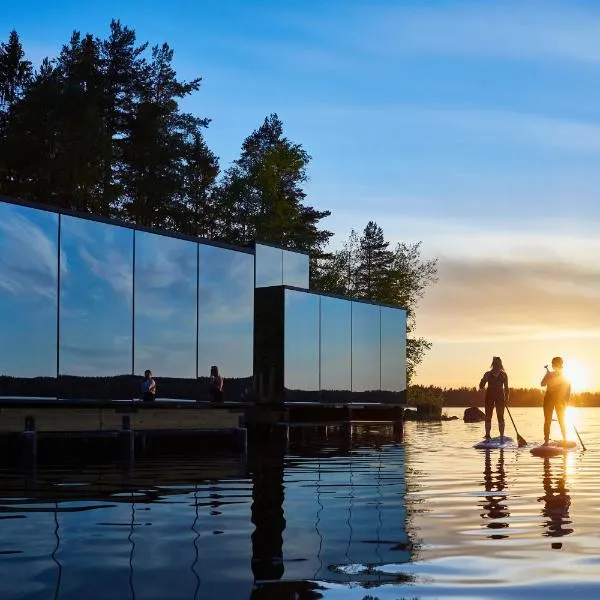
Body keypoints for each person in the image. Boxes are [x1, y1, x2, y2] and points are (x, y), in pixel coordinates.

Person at [541, 357, 570, 445]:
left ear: (561, 365)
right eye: (554, 364)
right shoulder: (549, 374)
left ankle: (565, 439)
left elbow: (568, 389)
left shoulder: (564, 377)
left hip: (560, 400)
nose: (555, 366)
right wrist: (547, 378)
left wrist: (566, 402)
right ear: (553, 366)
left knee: (561, 419)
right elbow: (542, 384)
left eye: (557, 364)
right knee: (547, 420)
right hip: (548, 399)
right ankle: (546, 441)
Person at [479, 356, 509, 441]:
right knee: (488, 417)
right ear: (493, 364)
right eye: (495, 363)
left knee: (500, 417)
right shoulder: (488, 374)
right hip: (489, 397)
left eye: (498, 363)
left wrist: (506, 398)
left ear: (500, 364)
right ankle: (487, 435)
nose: (497, 365)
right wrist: (483, 380)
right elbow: (481, 387)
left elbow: (506, 388)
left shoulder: (504, 375)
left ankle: (502, 436)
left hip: (500, 397)